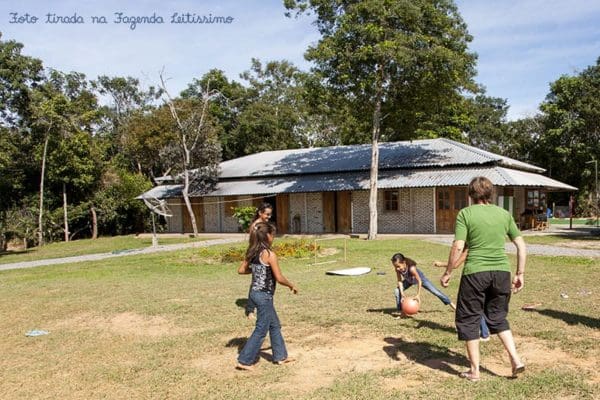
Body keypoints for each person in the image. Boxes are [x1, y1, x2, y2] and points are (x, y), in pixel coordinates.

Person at [440, 176, 526, 382]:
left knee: (469, 319)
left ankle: (475, 371)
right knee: (497, 318)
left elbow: (459, 246)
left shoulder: (466, 214)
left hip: (475, 273)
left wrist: (448, 271)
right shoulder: (504, 214)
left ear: (471, 195)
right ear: (490, 194)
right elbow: (521, 246)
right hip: (502, 273)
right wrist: (520, 273)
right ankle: (515, 359)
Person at [236, 222, 298, 370]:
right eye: (273, 234)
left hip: (255, 294)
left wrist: (257, 271)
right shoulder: (269, 255)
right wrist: (291, 285)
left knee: (274, 325)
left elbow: (241, 270)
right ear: (268, 236)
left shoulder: (252, 251)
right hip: (264, 296)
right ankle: (244, 361)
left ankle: (281, 356)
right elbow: (279, 277)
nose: (274, 237)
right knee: (261, 328)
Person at [433, 248, 490, 341]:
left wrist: (441, 264)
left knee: (474, 306)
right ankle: (484, 331)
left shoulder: (470, 246)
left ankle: (484, 333)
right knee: (479, 304)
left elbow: (455, 264)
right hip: (490, 275)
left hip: (476, 277)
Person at [391, 253, 456, 317]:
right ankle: (401, 311)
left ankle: (453, 305)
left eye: (398, 266)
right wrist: (402, 294)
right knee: (397, 291)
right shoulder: (398, 270)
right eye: (395, 267)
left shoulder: (411, 268)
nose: (397, 268)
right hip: (409, 280)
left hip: (421, 280)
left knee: (436, 292)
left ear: (404, 262)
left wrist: (418, 295)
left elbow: (419, 281)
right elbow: (399, 281)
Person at [244, 202, 273, 319]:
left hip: (263, 253)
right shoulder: (256, 226)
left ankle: (260, 304)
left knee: (260, 281)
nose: (268, 217)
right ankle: (250, 310)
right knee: (256, 282)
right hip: (256, 254)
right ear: (260, 213)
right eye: (267, 214)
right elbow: (253, 243)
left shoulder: (264, 224)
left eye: (270, 215)